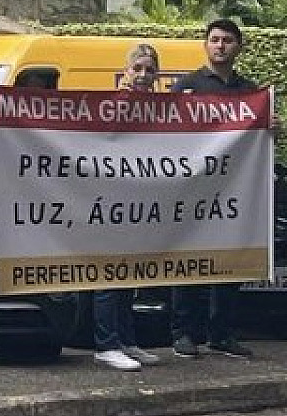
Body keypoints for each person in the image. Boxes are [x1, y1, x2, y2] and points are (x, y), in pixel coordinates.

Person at [169, 19, 258, 360]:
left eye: (228, 41)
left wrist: (270, 129)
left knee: (229, 262)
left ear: (239, 47)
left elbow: (255, 140)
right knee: (189, 261)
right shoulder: (187, 87)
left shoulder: (250, 91)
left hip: (234, 191)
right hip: (193, 191)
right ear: (205, 45)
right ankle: (183, 333)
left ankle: (221, 334)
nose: (220, 46)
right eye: (215, 40)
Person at [92, 43, 163, 371]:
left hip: (141, 200)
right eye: (138, 69)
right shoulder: (112, 104)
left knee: (128, 274)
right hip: (109, 200)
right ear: (125, 73)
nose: (144, 76)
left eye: (150, 70)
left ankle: (127, 340)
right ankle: (105, 344)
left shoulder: (162, 110)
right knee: (108, 272)